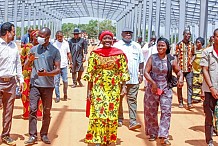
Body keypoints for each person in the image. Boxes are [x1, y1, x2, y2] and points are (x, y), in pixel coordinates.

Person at [83, 30, 130, 146]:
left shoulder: (119, 54)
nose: (107, 40)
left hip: (114, 88)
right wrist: (89, 91)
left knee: (111, 113)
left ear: (113, 40)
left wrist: (124, 87)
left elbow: (123, 71)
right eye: (105, 38)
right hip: (98, 86)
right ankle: (97, 138)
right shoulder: (95, 54)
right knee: (98, 112)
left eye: (109, 38)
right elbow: (90, 73)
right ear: (101, 40)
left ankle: (109, 138)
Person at [24, 27, 61, 145]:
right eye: (38, 35)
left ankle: (44, 134)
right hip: (35, 85)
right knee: (33, 109)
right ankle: (32, 135)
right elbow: (25, 67)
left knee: (46, 110)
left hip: (48, 86)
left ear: (48, 37)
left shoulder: (54, 51)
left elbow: (58, 70)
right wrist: (29, 60)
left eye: (41, 36)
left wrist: (46, 73)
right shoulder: (34, 49)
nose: (38, 37)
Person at [144, 37, 183, 145]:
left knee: (166, 111)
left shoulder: (171, 59)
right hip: (153, 88)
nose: (160, 47)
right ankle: (153, 132)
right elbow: (146, 72)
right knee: (151, 111)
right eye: (158, 45)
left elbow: (179, 71)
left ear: (167, 47)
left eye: (162, 46)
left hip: (166, 88)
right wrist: (152, 83)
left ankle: (163, 135)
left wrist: (180, 78)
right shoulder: (152, 58)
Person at [114, 27, 144, 130]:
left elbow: (141, 62)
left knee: (132, 99)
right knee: (119, 99)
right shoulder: (116, 46)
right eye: (126, 33)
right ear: (122, 34)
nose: (128, 34)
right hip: (119, 79)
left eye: (130, 33)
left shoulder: (137, 46)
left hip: (134, 79)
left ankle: (132, 121)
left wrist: (141, 74)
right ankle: (119, 118)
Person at [0, 22, 24, 145]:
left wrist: (21, 79)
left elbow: (17, 64)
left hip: (11, 83)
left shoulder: (14, 46)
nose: (15, 34)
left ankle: (5, 135)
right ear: (7, 33)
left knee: (8, 111)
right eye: (13, 32)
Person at [200, 28, 218, 146]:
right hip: (209, 90)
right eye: (217, 36)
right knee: (209, 116)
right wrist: (211, 87)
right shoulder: (207, 52)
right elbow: (205, 70)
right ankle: (209, 140)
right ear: (213, 37)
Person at [20, 30, 43, 119]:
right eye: (36, 36)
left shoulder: (42, 48)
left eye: (39, 36)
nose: (37, 38)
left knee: (39, 93)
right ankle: (26, 113)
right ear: (32, 36)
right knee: (25, 94)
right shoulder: (27, 47)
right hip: (27, 73)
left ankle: (38, 113)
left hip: (38, 73)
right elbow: (21, 60)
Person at [175, 29, 195, 108]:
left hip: (189, 69)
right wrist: (176, 67)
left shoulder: (192, 44)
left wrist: (191, 61)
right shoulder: (179, 44)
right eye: (187, 34)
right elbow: (176, 55)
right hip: (181, 69)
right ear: (183, 35)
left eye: (189, 34)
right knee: (180, 85)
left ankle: (189, 102)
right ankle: (180, 101)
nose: (188, 36)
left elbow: (194, 54)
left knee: (190, 85)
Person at [53, 31, 73, 103]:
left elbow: (68, 53)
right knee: (56, 82)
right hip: (56, 66)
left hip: (64, 65)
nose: (60, 38)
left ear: (63, 36)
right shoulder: (54, 45)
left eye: (61, 36)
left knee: (65, 81)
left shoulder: (66, 44)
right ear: (56, 37)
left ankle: (65, 94)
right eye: (58, 37)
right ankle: (57, 97)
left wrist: (71, 62)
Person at [192, 37, 205, 103]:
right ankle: (195, 97)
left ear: (202, 43)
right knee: (194, 82)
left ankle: (199, 96)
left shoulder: (204, 51)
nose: (197, 44)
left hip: (200, 69)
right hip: (194, 69)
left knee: (200, 82)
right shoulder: (194, 51)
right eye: (196, 42)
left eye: (199, 42)